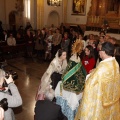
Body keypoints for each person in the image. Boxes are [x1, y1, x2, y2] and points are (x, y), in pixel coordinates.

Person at [75, 42, 120, 120]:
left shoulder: (102, 67)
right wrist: (95, 70)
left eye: (100, 50)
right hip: (110, 98)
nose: (99, 52)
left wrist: (89, 76)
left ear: (104, 52)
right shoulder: (114, 62)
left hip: (101, 101)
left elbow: (90, 84)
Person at [55, 40, 87, 120]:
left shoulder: (73, 58)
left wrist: (63, 76)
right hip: (79, 83)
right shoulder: (79, 58)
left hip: (71, 84)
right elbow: (82, 71)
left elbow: (68, 71)